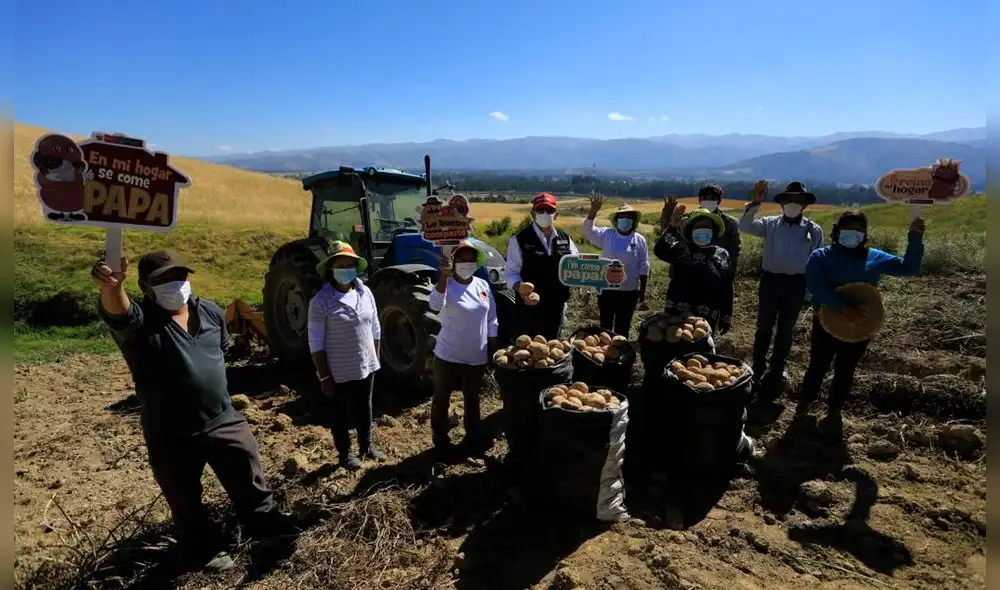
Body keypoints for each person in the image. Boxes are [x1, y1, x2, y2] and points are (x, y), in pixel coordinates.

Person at [92, 250, 290, 573]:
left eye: (180, 276)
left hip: (222, 418)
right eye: (164, 279)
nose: (175, 283)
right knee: (183, 495)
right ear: (145, 286)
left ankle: (265, 526)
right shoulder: (141, 322)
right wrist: (112, 287)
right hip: (170, 429)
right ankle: (203, 549)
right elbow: (119, 312)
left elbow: (220, 351)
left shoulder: (210, 312)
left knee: (248, 475)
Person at [800, 211, 925, 422]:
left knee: (846, 369)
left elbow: (909, 268)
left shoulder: (874, 257)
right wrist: (841, 307)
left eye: (859, 230)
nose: (853, 233)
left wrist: (915, 237)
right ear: (837, 231)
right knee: (818, 365)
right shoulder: (821, 256)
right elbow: (815, 285)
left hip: (860, 322)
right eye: (848, 228)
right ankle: (805, 404)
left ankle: (834, 411)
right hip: (826, 322)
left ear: (865, 235)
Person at [307, 241, 387, 471]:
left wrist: (375, 359)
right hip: (338, 370)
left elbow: (375, 327)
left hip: (366, 365)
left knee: (365, 407)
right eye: (340, 266)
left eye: (349, 265)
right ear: (330, 269)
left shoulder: (365, 292)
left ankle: (367, 446)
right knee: (340, 413)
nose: (346, 270)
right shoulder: (320, 302)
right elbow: (316, 342)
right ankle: (345, 453)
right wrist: (324, 376)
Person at [739, 180, 824, 394]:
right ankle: (758, 363)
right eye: (789, 200)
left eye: (798, 200)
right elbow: (745, 226)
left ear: (805, 204)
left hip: (796, 284)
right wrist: (755, 204)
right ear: (782, 203)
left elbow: (816, 262)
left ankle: (777, 368)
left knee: (786, 329)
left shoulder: (813, 230)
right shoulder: (770, 225)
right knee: (764, 326)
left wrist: (810, 292)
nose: (793, 204)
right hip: (771, 281)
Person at [429, 240, 499, 458]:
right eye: (461, 259)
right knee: (442, 398)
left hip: (476, 355)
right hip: (448, 355)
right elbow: (434, 305)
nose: (466, 263)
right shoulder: (447, 284)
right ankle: (440, 438)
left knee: (472, 398)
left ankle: (473, 435)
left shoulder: (482, 285)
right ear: (453, 261)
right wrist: (443, 277)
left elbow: (492, 318)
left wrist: (493, 347)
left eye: (470, 259)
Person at [504, 192, 580, 340]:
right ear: (533, 213)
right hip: (529, 308)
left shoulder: (565, 239)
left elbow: (577, 266)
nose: (545, 213)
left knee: (552, 347)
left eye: (549, 210)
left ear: (556, 214)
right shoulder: (519, 239)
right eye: (540, 210)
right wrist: (520, 287)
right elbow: (510, 273)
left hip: (556, 306)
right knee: (529, 348)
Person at [652, 205, 733, 332]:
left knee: (702, 342)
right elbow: (659, 250)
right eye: (698, 227)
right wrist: (672, 227)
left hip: (706, 317)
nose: (702, 230)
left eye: (707, 227)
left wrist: (726, 316)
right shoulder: (680, 248)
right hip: (677, 315)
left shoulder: (722, 254)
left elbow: (727, 286)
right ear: (691, 230)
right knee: (676, 340)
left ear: (713, 230)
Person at [582, 195, 650, 337]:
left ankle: (620, 348)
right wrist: (593, 211)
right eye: (622, 216)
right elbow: (588, 231)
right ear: (616, 219)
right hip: (607, 289)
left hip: (629, 291)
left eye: (628, 216)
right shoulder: (607, 235)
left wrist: (642, 290)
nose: (625, 219)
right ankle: (605, 348)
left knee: (623, 326)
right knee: (605, 326)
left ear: (633, 220)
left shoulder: (639, 240)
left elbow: (644, 265)